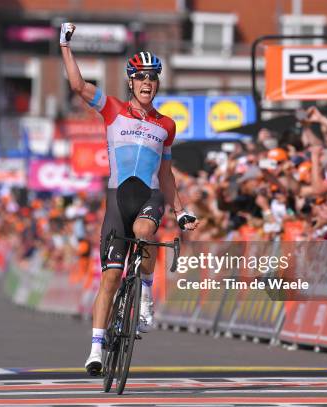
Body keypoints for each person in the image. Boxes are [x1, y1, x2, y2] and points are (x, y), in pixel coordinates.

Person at [59, 22, 199, 376]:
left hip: (150, 195)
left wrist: (181, 211)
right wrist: (65, 45)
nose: (147, 83)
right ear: (131, 82)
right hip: (116, 199)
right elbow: (77, 86)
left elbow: (165, 174)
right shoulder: (113, 109)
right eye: (141, 77)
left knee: (145, 231)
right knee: (109, 278)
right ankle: (95, 348)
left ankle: (147, 292)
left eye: (153, 77)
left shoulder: (166, 125)